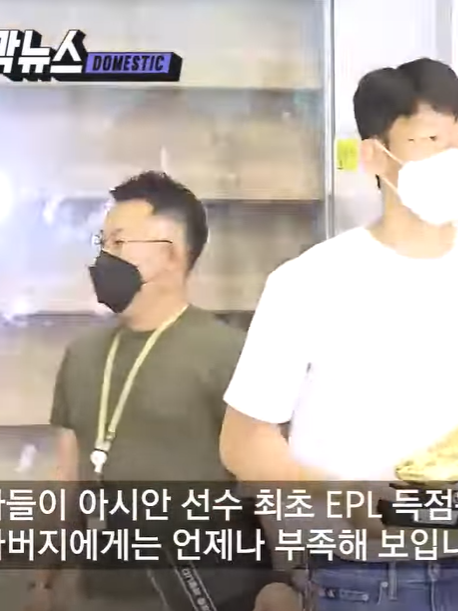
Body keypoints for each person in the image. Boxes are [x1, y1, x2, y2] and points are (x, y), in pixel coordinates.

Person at [218, 58, 458, 611]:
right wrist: (342, 496)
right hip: (361, 579)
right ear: (375, 155)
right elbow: (243, 442)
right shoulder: (309, 281)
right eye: (429, 140)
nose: (453, 157)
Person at [24, 172, 298, 611]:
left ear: (170, 254)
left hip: (214, 595)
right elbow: (67, 480)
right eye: (102, 242)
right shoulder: (82, 355)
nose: (103, 257)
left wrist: (286, 580)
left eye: (118, 242)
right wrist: (42, 582)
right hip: (104, 595)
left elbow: (269, 482)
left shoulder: (228, 353)